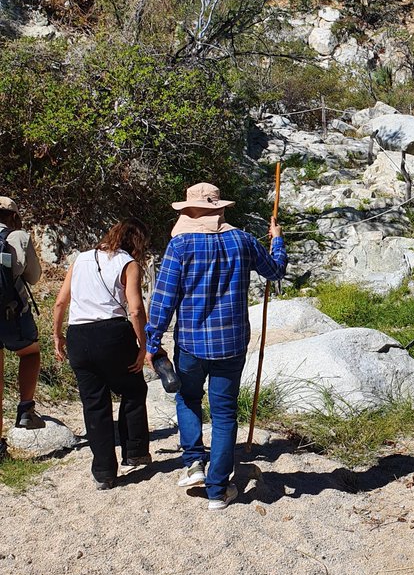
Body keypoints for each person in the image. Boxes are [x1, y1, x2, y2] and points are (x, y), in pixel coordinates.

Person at [145, 182, 286, 511]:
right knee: (224, 416)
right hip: (232, 344)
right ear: (219, 209)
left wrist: (153, 342)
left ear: (190, 212)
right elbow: (275, 270)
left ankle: (194, 463)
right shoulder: (242, 241)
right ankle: (217, 491)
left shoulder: (180, 246)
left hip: (192, 344)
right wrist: (277, 240)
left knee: (188, 398)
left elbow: (164, 301)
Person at [53, 218, 152, 489]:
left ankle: (104, 471)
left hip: (79, 336)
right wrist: (143, 345)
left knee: (94, 403)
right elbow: (135, 309)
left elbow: (61, 301)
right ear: (137, 243)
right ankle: (134, 451)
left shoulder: (81, 259)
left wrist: (57, 335)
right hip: (112, 334)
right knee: (132, 388)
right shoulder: (128, 264)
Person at [0, 196, 45, 431]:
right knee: (30, 353)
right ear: (13, 216)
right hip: (11, 314)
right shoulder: (18, 236)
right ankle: (26, 409)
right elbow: (34, 277)